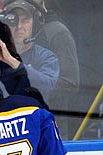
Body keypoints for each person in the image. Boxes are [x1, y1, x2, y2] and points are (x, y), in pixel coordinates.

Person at [33, 0, 80, 138]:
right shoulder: (8, 30)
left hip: (50, 130)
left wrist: (31, 85)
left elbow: (71, 84)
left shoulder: (57, 32)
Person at [1, 0, 59, 103]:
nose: (19, 27)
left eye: (25, 20)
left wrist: (11, 61)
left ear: (35, 23)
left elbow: (47, 86)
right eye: (14, 20)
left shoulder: (46, 57)